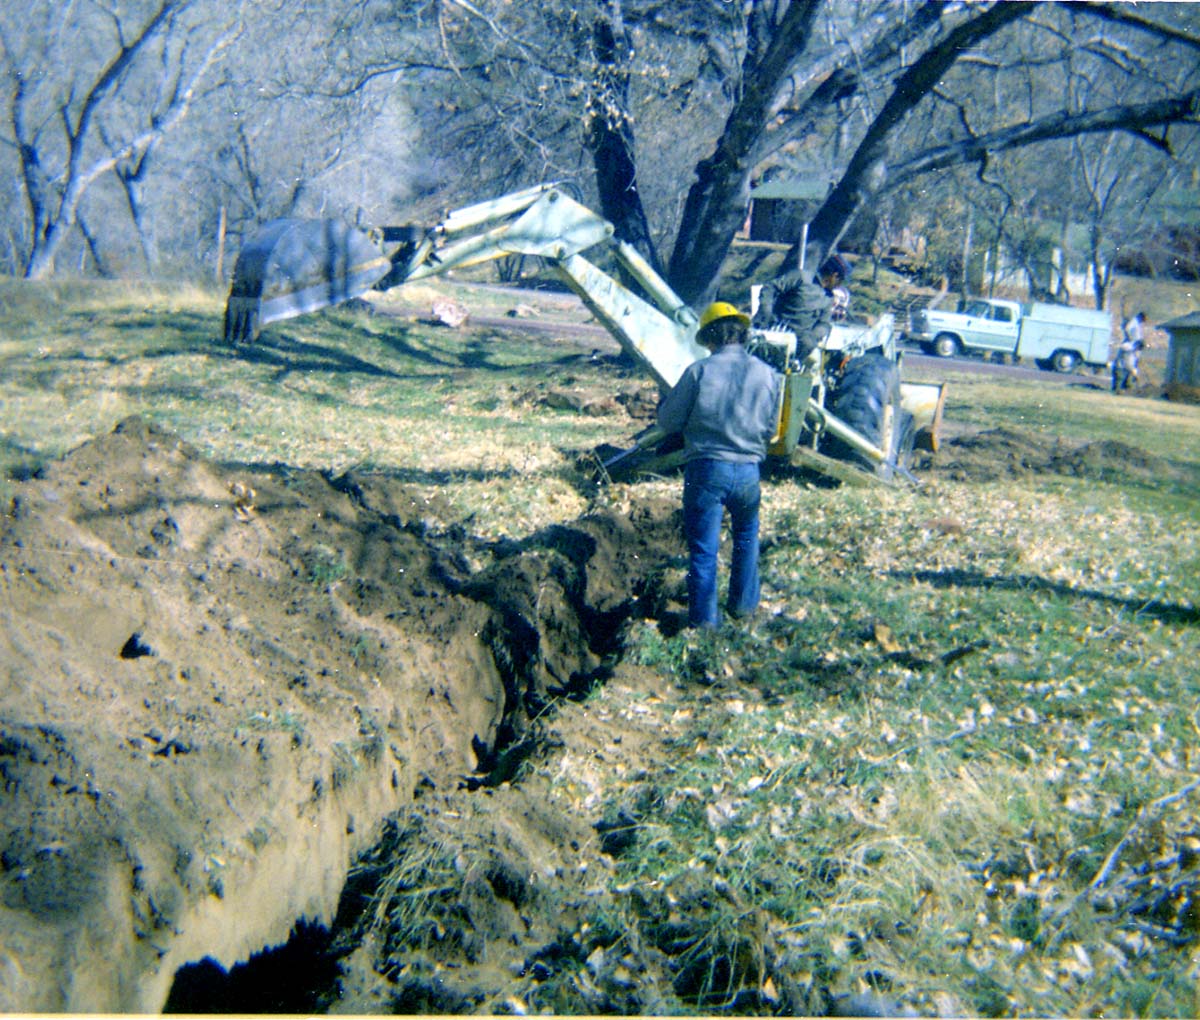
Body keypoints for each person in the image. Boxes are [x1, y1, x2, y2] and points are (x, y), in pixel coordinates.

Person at [657, 302, 784, 629]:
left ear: (710, 338)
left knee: (703, 550)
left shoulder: (698, 372)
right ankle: (742, 607)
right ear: (741, 335)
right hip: (748, 472)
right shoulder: (769, 375)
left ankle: (704, 624)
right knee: (746, 537)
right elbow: (771, 429)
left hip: (706, 469)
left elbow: (668, 421)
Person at [752, 253, 851, 357]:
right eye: (841, 280)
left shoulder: (828, 298)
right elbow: (770, 287)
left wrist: (814, 335)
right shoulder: (802, 277)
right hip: (775, 326)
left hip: (800, 338)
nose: (840, 285)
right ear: (834, 276)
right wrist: (766, 309)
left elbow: (824, 323)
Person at [1112, 311, 1146, 392]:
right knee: (1120, 376)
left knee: (1128, 373)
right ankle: (1118, 389)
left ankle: (1127, 387)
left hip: (1126, 365)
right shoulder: (1129, 346)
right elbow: (1124, 346)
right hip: (1120, 366)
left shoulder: (1134, 350)